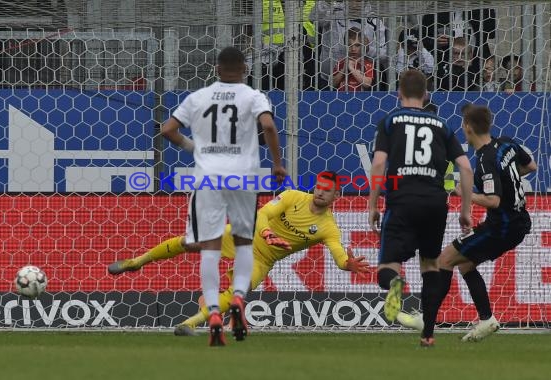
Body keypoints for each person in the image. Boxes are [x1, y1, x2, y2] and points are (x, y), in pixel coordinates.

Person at [108, 172, 371, 336]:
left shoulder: (328, 228)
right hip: (241, 235)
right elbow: (263, 214)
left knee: (237, 294)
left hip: (261, 259)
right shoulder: (292, 196)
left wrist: (347, 264)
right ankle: (136, 262)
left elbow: (338, 254)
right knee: (191, 241)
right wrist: (267, 233)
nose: (320, 191)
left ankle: (189, 323)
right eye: (318, 186)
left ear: (337, 195)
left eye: (327, 190)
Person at [161, 46, 286, 346]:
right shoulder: (253, 96)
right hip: (242, 176)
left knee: (211, 247)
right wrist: (278, 163)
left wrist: (195, 148)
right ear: (244, 68)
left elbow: (168, 130)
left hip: (208, 177)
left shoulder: (198, 98)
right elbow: (267, 124)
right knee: (244, 243)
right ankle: (239, 299)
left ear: (217, 69)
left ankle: (214, 310)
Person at [368, 69, 474, 347]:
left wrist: (372, 203)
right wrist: (465, 210)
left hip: (402, 200)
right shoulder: (442, 125)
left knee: (387, 269)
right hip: (435, 203)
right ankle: (428, 333)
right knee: (430, 265)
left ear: (399, 93)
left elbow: (379, 164)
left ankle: (394, 283)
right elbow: (465, 167)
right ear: (426, 95)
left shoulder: (390, 121)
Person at [420, 104, 536, 342]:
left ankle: (427, 319)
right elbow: (530, 166)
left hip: (502, 226)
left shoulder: (485, 159)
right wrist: (507, 181)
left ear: (468, 127)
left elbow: (493, 201)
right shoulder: (506, 143)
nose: (463, 128)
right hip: (519, 221)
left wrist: (465, 194)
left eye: (463, 124)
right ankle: (486, 319)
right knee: (465, 264)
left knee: (445, 259)